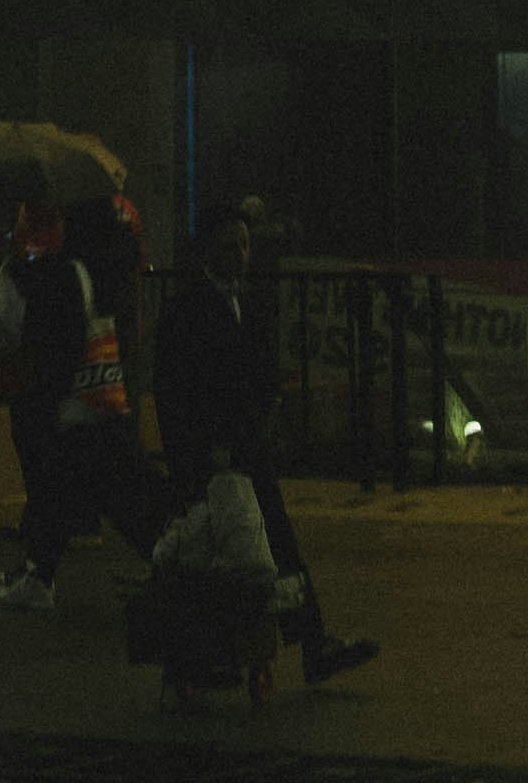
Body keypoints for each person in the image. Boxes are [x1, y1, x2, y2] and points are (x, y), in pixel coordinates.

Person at [148, 208, 373, 680]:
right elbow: (177, 391)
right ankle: (224, 652)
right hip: (212, 455)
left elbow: (260, 370)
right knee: (226, 555)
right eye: (231, 246)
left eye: (245, 245)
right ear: (209, 250)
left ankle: (308, 639)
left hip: (246, 447)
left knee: (275, 543)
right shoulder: (189, 309)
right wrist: (192, 453)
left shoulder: (245, 304)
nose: (241, 255)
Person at [0, 202, 146, 606]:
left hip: (69, 403)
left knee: (92, 492)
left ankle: (41, 575)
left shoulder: (48, 274)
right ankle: (40, 572)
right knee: (78, 489)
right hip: (97, 395)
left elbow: (28, 338)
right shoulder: (92, 268)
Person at [145, 450, 288, 704]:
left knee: (187, 591)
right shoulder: (247, 501)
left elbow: (173, 551)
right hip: (257, 577)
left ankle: (196, 660)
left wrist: (164, 552)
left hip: (219, 582)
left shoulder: (202, 512)